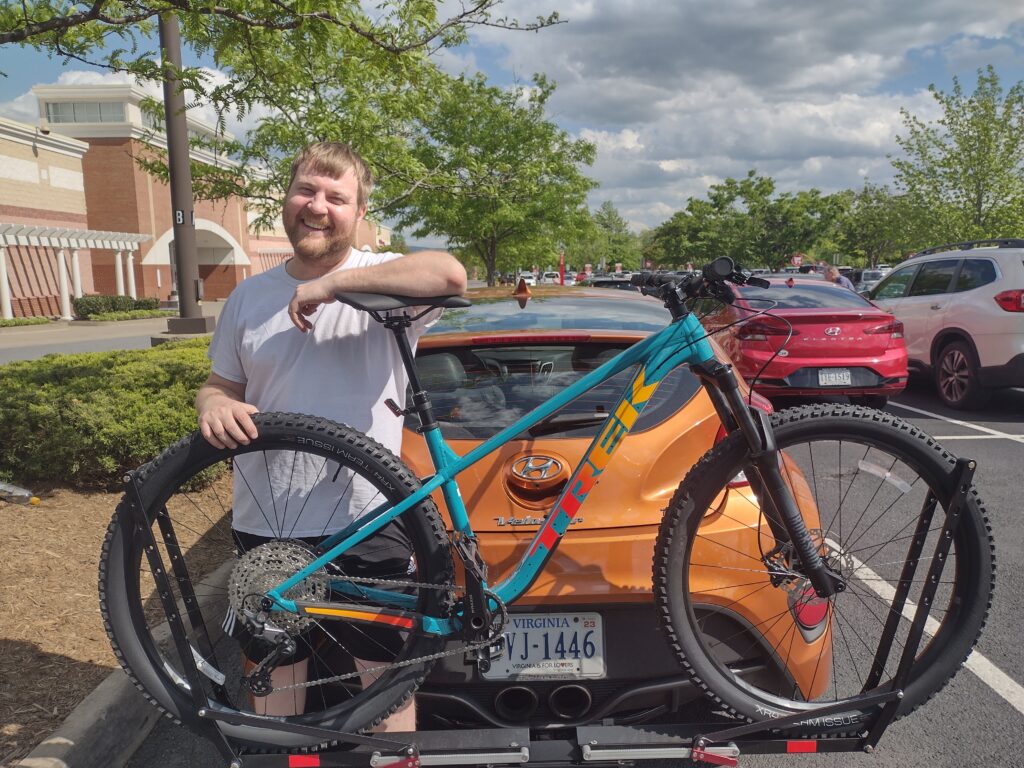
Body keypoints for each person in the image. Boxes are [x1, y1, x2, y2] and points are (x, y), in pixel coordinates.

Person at [195, 141, 467, 729]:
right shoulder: (247, 297)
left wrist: (331, 287)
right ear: (286, 199)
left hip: (367, 517)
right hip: (266, 522)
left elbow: (450, 272)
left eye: (336, 197)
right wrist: (214, 404)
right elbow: (221, 383)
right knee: (275, 674)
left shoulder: (380, 280)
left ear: (359, 213)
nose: (317, 206)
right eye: (306, 190)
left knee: (384, 679)